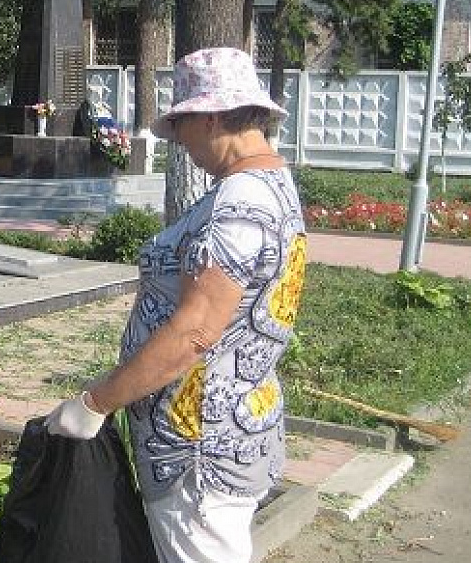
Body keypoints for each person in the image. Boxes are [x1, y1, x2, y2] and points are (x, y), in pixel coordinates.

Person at [44, 47, 308, 563]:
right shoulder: (270, 184)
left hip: (197, 447)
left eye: (182, 125)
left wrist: (96, 403)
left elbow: (194, 332)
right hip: (228, 424)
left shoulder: (240, 203)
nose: (180, 142)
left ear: (211, 117)